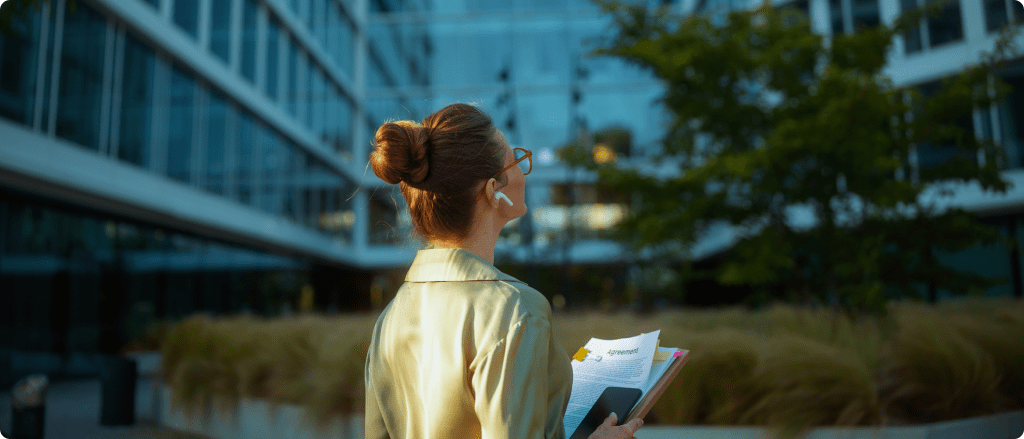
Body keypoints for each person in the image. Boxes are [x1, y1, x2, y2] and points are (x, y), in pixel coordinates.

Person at [364, 103, 644, 439]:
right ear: (493, 190)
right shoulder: (515, 310)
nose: (524, 172)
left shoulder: (391, 317)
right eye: (516, 161)